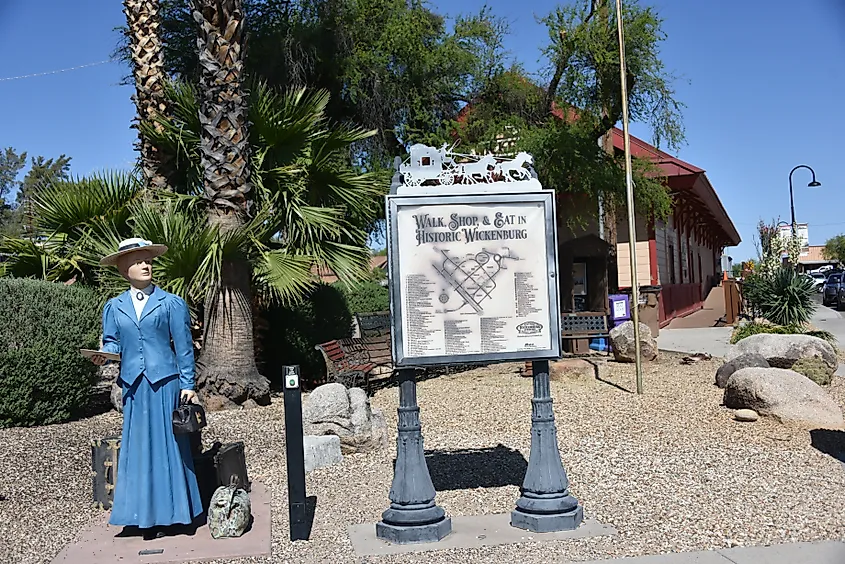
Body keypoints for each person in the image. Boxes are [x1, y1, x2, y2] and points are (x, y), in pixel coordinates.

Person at [90, 237, 202, 540]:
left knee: (170, 447)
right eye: (138, 261)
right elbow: (112, 340)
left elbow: (184, 347)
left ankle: (176, 514)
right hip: (134, 387)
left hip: (166, 383)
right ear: (124, 268)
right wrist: (104, 354)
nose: (145, 265)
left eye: (148, 260)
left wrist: (188, 384)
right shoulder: (113, 307)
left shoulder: (172, 303)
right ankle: (141, 516)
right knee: (138, 449)